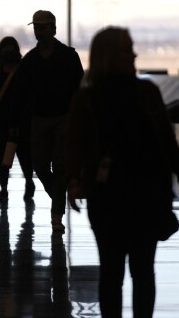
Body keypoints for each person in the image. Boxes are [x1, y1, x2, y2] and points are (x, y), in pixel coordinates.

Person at [66, 26, 179, 318]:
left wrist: (75, 180)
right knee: (142, 271)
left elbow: (76, 145)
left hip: (110, 194)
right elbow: (165, 144)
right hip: (145, 193)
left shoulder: (89, 98)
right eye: (127, 49)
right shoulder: (145, 93)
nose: (134, 53)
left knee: (113, 270)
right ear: (110, 56)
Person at [9, 10, 84, 232]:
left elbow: (79, 89)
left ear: (53, 28)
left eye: (42, 27)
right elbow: (20, 93)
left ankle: (56, 216)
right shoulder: (31, 60)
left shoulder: (68, 56)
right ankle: (59, 198)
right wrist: (14, 122)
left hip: (62, 117)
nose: (39, 32)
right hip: (40, 118)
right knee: (40, 166)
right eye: (36, 28)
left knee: (59, 166)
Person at [0, 36, 34, 203]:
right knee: (18, 154)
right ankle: (14, 185)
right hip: (4, 121)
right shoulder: (21, 70)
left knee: (13, 155)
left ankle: (12, 186)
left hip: (14, 120)